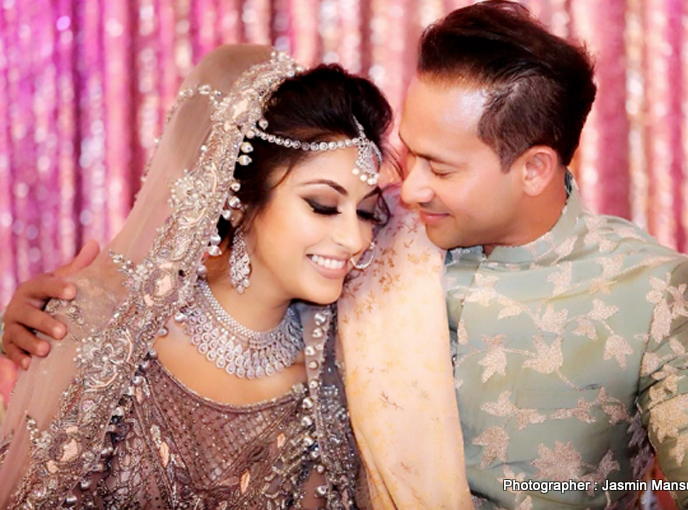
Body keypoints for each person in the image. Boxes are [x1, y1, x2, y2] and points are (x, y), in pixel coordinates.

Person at [3, 1, 688, 509]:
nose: (402, 193)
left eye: (439, 169)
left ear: (533, 170)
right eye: (405, 156)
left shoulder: (650, 291)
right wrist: (37, 328)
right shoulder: (374, 252)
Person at [0, 45, 471, 509]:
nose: (354, 239)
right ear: (241, 200)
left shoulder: (348, 364)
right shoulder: (106, 333)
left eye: (367, 212)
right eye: (323, 205)